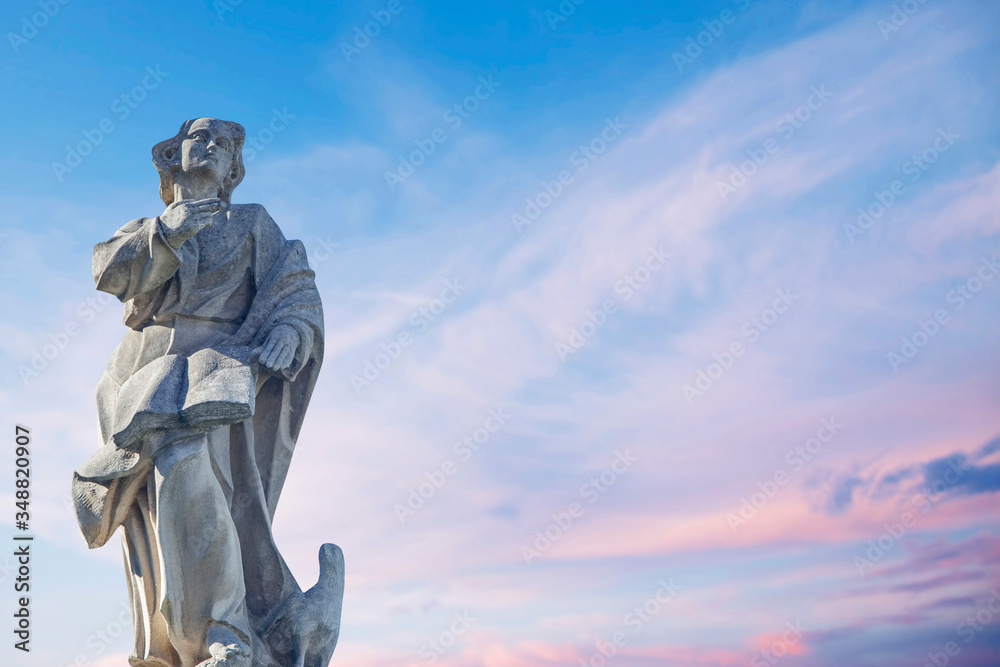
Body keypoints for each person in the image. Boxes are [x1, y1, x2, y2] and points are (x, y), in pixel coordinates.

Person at [72, 118, 339, 667]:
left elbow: (295, 289)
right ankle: (167, 645)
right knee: (146, 511)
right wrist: (169, 231)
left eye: (225, 142)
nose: (213, 144)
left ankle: (224, 631)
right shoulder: (150, 225)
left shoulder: (252, 224)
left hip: (215, 373)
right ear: (173, 157)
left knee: (189, 468)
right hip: (139, 376)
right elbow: (109, 272)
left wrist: (290, 332)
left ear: (234, 169)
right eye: (201, 135)